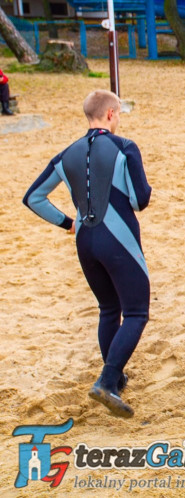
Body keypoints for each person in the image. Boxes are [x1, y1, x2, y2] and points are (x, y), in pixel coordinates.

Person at [23, 90, 151, 417]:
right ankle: (107, 382)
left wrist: (67, 223)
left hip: (85, 240)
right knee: (136, 312)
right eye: (118, 113)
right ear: (110, 114)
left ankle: (117, 377)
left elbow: (34, 197)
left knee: (109, 308)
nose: (119, 118)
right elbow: (140, 200)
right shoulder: (125, 147)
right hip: (118, 239)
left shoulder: (67, 154)